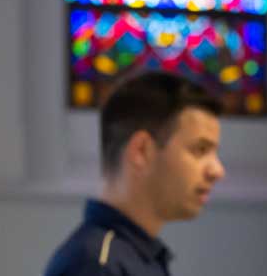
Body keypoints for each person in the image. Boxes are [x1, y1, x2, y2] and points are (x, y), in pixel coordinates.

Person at [43, 71, 226, 276]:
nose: (217, 171)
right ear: (141, 151)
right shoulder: (98, 266)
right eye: (200, 149)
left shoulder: (134, 256)